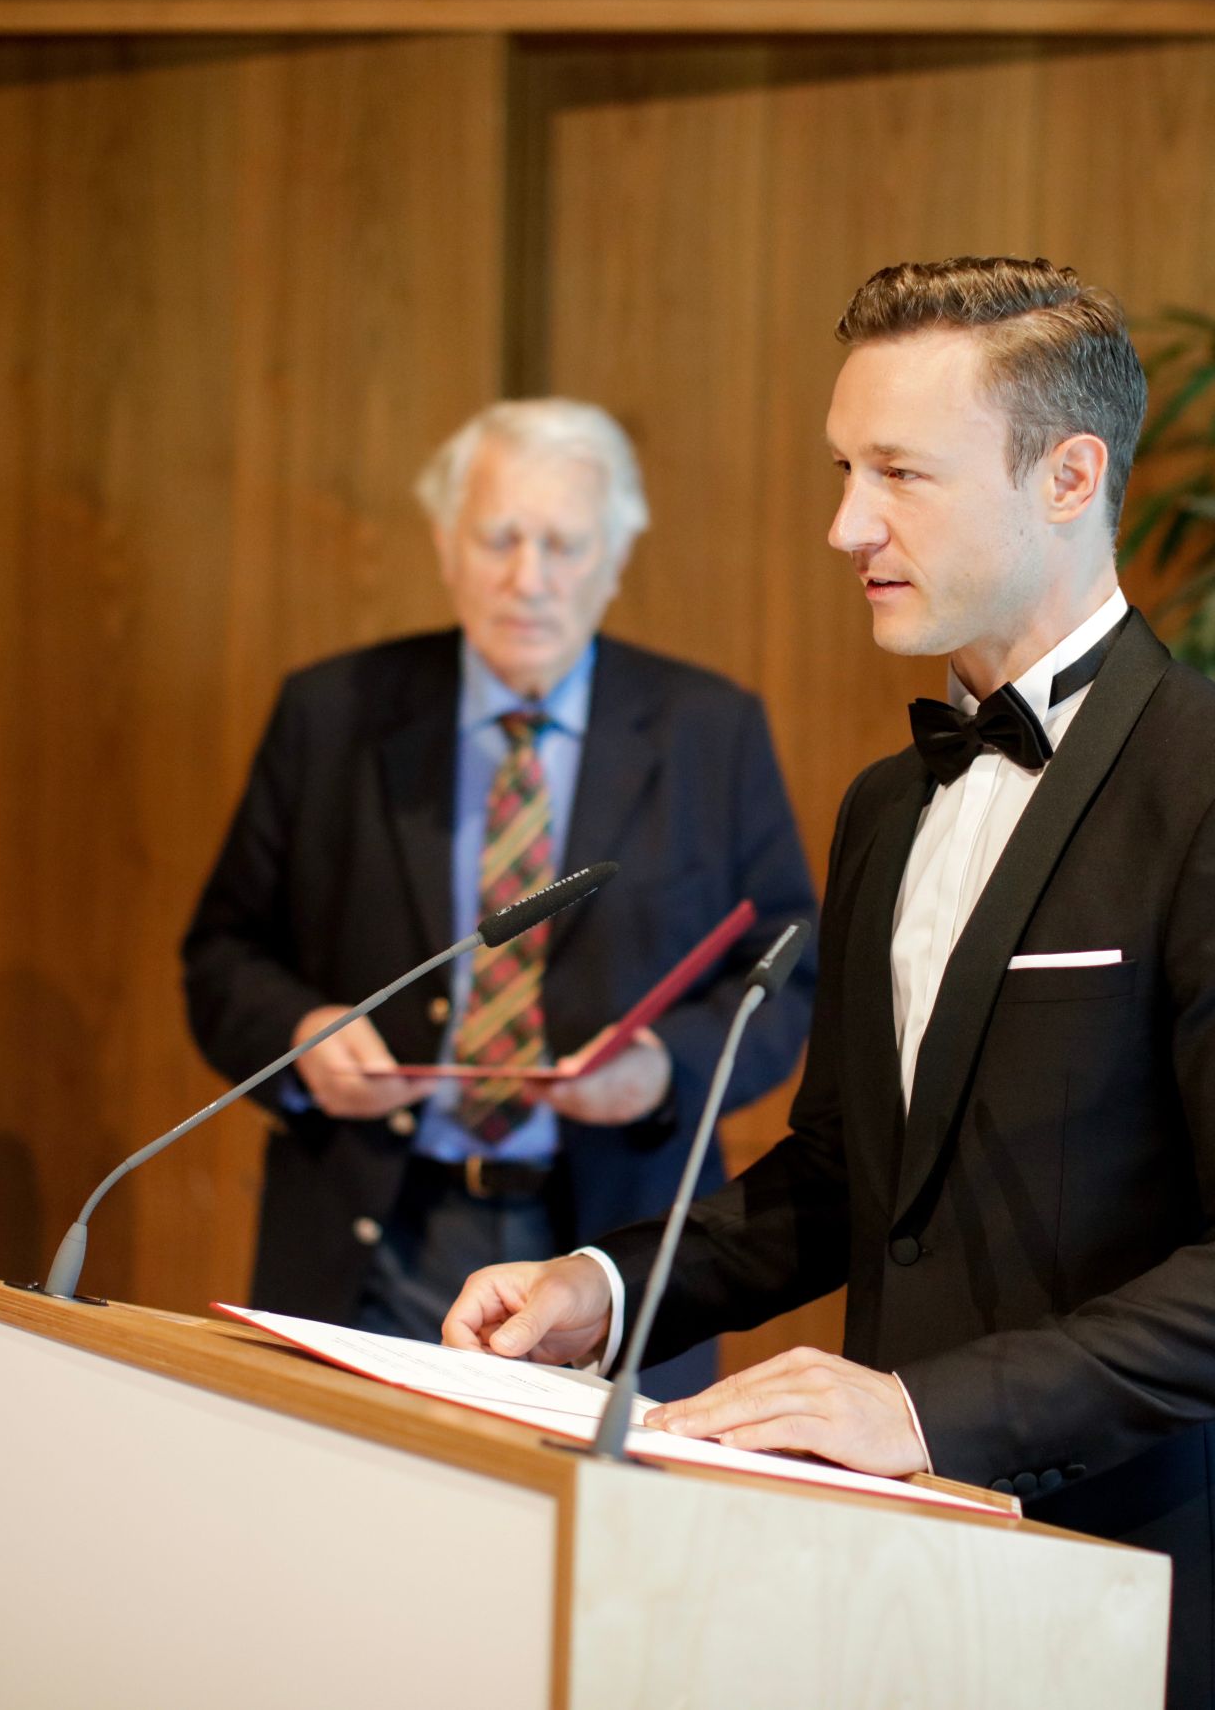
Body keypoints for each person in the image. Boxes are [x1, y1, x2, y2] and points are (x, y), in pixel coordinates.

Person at [442, 262, 1215, 1708]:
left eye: (899, 471)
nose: (846, 522)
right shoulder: (886, 804)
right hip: (888, 1591)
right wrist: (602, 1282)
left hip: (1139, 1600)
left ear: (1069, 474)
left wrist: (920, 1407)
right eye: (845, 468)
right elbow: (843, 1176)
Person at [183, 398, 816, 1399]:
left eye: (564, 544)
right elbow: (221, 952)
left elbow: (789, 969)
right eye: (498, 538)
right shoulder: (331, 712)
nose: (529, 579)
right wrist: (303, 1033)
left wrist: (664, 1068)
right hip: (372, 1235)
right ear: (444, 543)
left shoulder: (709, 729)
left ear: (614, 558)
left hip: (620, 1244)